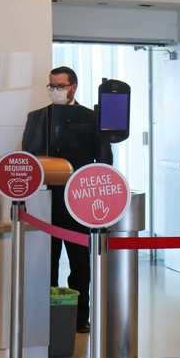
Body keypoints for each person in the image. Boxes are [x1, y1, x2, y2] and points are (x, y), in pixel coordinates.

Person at [22, 66, 112, 333]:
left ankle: (79, 317)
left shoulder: (91, 118)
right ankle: (45, 316)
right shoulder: (37, 117)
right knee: (45, 263)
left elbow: (104, 160)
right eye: (51, 86)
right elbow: (28, 156)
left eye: (59, 86)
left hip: (78, 202)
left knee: (80, 264)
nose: (54, 91)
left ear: (73, 86)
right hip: (45, 201)